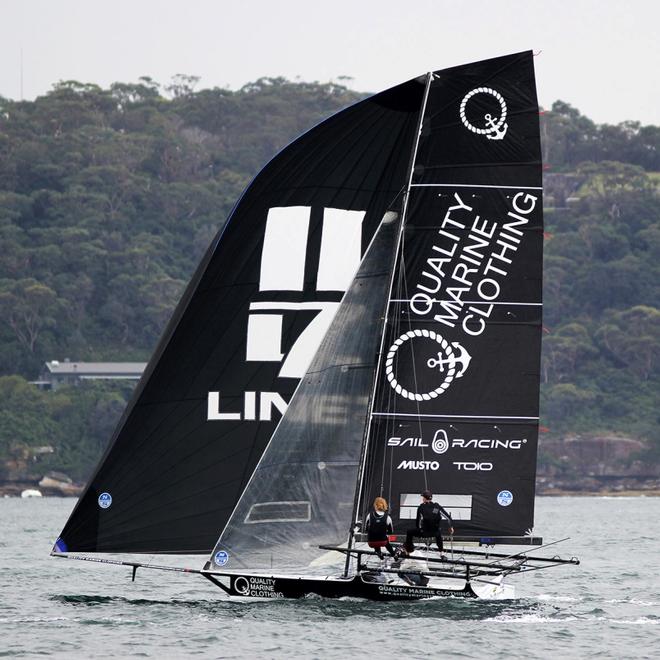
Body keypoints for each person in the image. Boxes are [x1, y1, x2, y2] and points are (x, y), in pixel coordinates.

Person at [396, 490, 454, 558]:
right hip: (435, 533)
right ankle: (442, 553)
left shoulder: (421, 507)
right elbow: (448, 518)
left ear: (424, 498)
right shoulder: (437, 506)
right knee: (438, 533)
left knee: (409, 532)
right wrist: (451, 527)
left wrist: (420, 530)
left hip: (424, 533)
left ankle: (408, 551)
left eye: (423, 497)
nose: (422, 498)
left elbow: (418, 522)